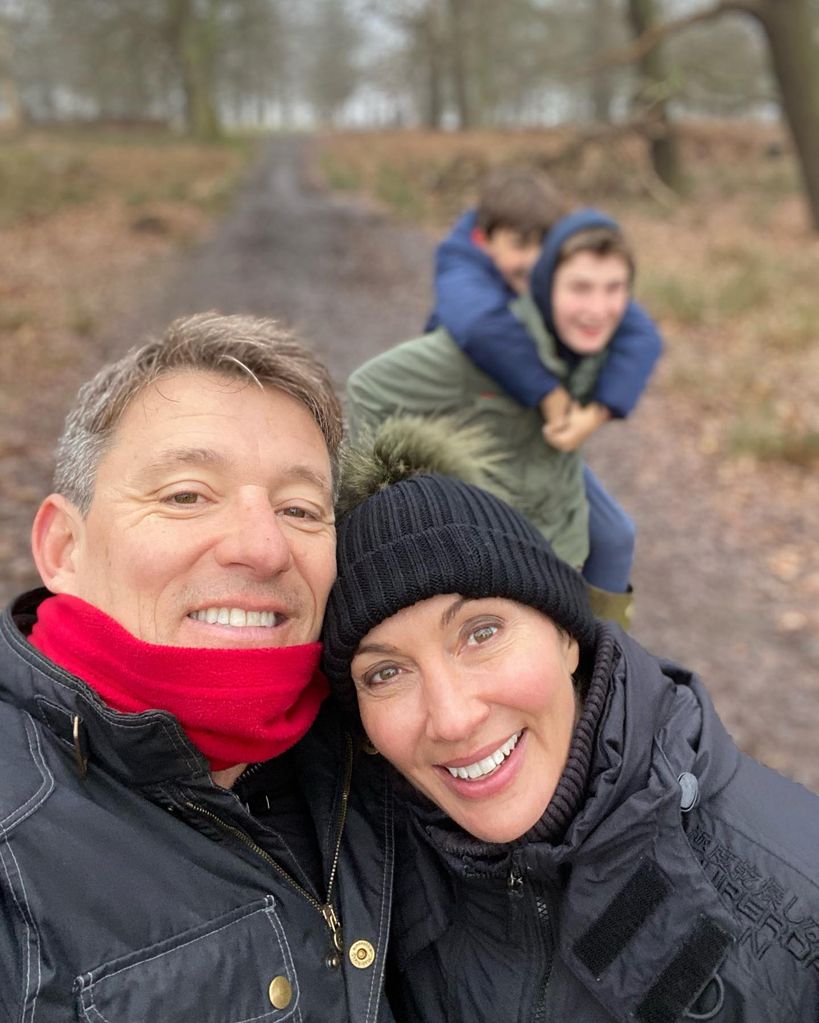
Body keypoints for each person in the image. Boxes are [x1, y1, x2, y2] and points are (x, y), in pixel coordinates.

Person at [321, 424, 819, 1022]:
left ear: (566, 638)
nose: (452, 719)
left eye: (481, 633)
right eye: (385, 674)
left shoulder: (800, 887)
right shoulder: (363, 865)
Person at [0, 313, 394, 1021]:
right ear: (63, 546)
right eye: (186, 494)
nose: (262, 547)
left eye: (300, 508)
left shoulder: (393, 740)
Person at [347, 206, 657, 626]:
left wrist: (597, 411)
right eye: (580, 288)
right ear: (545, 284)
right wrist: (391, 494)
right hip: (503, 531)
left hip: (554, 516)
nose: (598, 307)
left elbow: (641, 338)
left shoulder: (596, 332)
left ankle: (613, 660)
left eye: (613, 289)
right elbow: (369, 387)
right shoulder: (479, 331)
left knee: (614, 538)